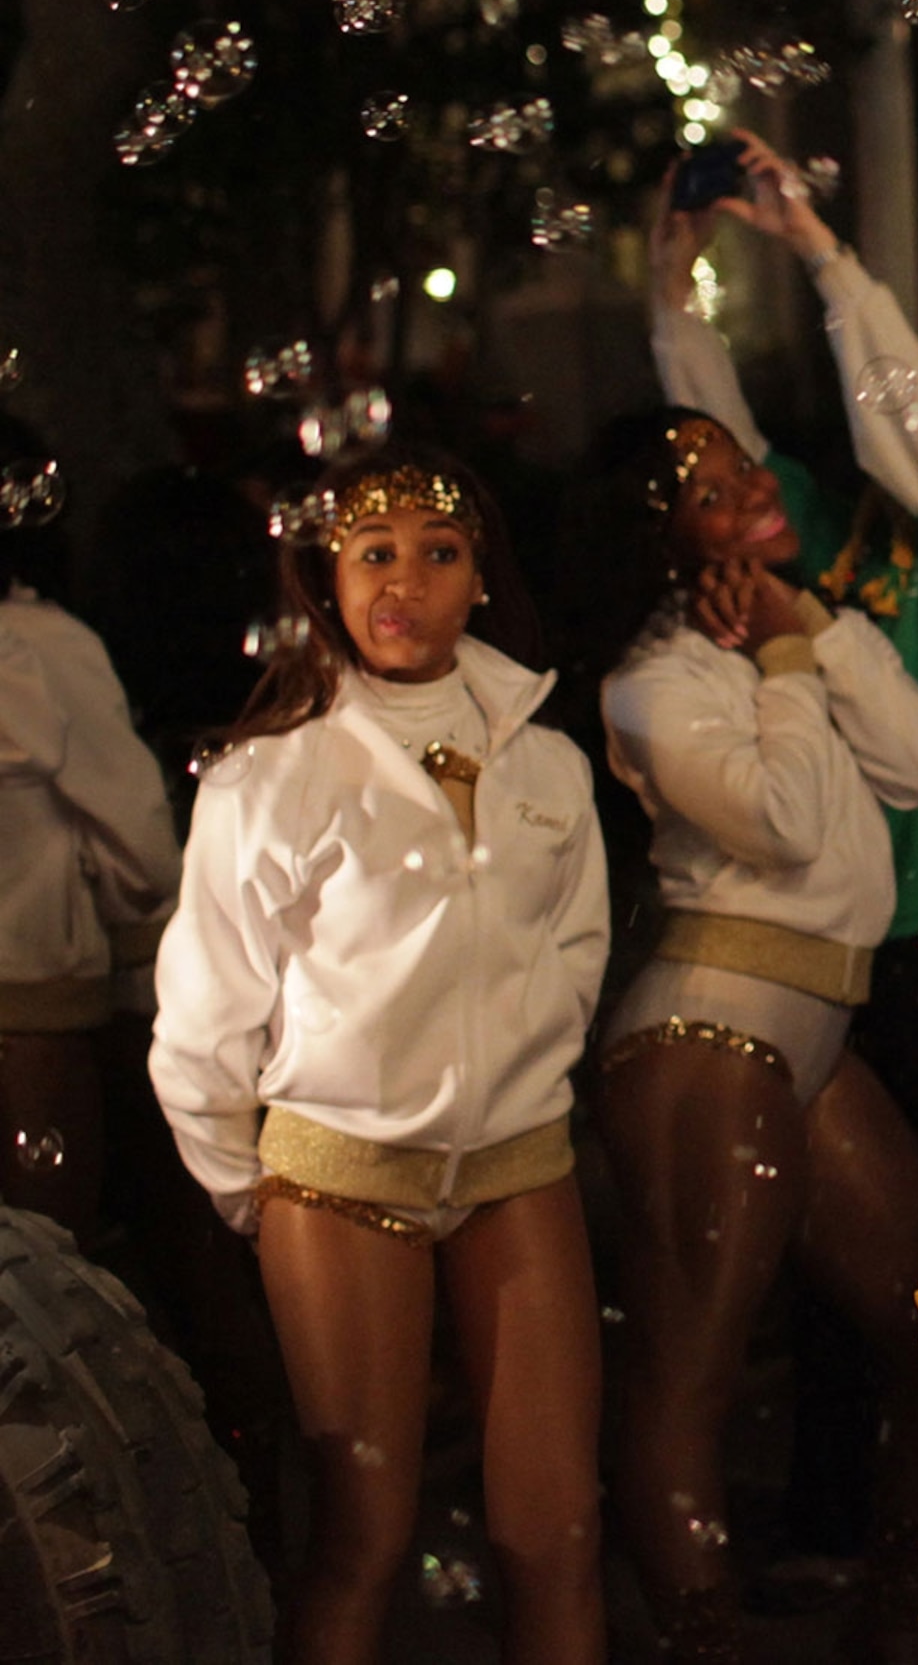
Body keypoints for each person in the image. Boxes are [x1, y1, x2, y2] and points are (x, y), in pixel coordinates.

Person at [149, 445, 608, 1665]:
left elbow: (575, 952)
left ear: (481, 582)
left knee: (557, 1529)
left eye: (437, 551)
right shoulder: (271, 776)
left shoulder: (550, 762)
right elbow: (202, 1018)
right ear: (328, 578)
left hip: (521, 1163)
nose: (401, 578)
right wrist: (258, 1192)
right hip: (337, 1174)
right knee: (363, 1531)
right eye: (372, 551)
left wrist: (518, 1082)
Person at [575, 404, 918, 1661]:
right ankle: (707, 1643)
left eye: (745, 458)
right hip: (706, 1037)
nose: (751, 484)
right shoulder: (653, 679)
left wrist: (814, 636)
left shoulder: (806, 624)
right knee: (685, 1377)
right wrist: (790, 672)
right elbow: (788, 822)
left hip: (805, 1035)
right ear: (663, 539)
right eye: (708, 484)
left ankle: (896, 1623)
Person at [648, 136, 918, 1175]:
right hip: (849, 939)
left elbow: (917, 439)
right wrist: (671, 286)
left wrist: (826, 255)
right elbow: (719, 450)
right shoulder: (837, 532)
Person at [0, 415, 180, 1228]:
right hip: (30, 1017)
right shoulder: (41, 643)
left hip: (33, 1011)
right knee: (42, 1290)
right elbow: (137, 842)